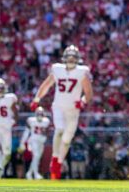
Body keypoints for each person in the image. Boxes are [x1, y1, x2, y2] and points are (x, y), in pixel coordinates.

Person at [30, 44, 94, 180]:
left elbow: (88, 92)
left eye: (73, 58)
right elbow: (46, 85)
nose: (71, 60)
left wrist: (82, 102)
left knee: (66, 140)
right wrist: (37, 98)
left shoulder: (81, 71)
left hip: (73, 110)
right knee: (59, 130)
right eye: (69, 57)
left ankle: (58, 163)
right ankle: (54, 159)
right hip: (58, 106)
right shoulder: (57, 69)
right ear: (64, 58)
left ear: (77, 59)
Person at [19, 105, 50, 179]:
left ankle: (29, 173)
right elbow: (27, 132)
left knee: (37, 158)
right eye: (38, 113)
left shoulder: (46, 121)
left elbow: (47, 132)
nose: (39, 115)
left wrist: (45, 137)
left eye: (41, 113)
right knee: (36, 156)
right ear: (36, 113)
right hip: (33, 140)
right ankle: (36, 174)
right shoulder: (31, 120)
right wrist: (22, 143)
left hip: (41, 141)